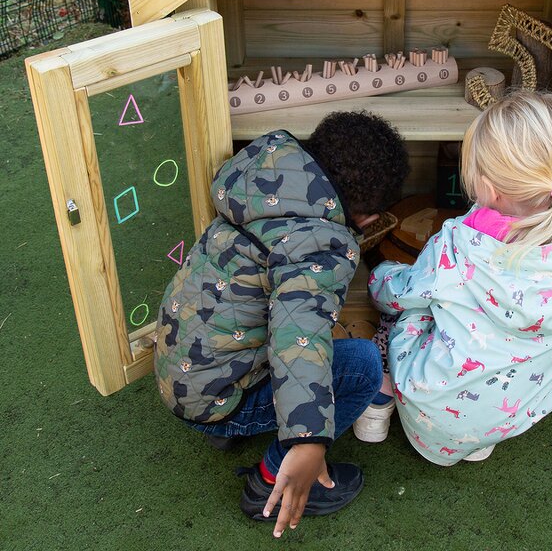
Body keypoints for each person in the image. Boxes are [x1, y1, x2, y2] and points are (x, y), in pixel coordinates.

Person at [357, 90, 552, 464]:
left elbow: (398, 294)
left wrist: (380, 275)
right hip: (506, 419)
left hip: (429, 411)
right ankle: (474, 440)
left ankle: (380, 394)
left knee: (416, 306)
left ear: (489, 189)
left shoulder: (457, 244)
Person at [153, 110, 410, 536]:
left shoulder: (256, 185)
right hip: (214, 395)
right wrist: (307, 443)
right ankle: (268, 481)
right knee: (362, 363)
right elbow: (300, 341)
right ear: (366, 217)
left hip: (180, 370)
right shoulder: (323, 249)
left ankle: (225, 425)